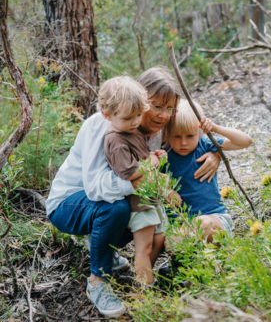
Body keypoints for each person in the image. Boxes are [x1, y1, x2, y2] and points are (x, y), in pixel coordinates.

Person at [45, 67, 222, 318]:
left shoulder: (155, 128)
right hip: (69, 204)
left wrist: (216, 154)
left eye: (169, 108)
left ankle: (103, 246)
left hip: (103, 202)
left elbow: (195, 132)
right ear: (140, 98)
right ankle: (98, 281)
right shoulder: (103, 127)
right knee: (115, 208)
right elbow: (96, 189)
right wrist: (151, 182)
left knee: (148, 221)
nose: (164, 115)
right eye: (157, 107)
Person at [99, 76, 180, 288]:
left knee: (159, 239)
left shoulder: (130, 130)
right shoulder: (115, 139)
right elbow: (127, 171)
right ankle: (145, 288)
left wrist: (154, 154)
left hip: (150, 198)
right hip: (139, 203)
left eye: (137, 116)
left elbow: (139, 157)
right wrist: (153, 162)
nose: (135, 122)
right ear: (108, 115)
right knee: (143, 248)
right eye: (128, 118)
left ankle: (145, 278)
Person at [161, 99, 252, 242]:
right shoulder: (163, 153)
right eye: (176, 136)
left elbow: (245, 141)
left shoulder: (205, 145)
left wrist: (215, 128)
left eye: (190, 136)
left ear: (200, 131)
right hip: (182, 224)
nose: (183, 142)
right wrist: (165, 189)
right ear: (166, 133)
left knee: (202, 224)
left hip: (214, 218)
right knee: (171, 241)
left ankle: (216, 249)